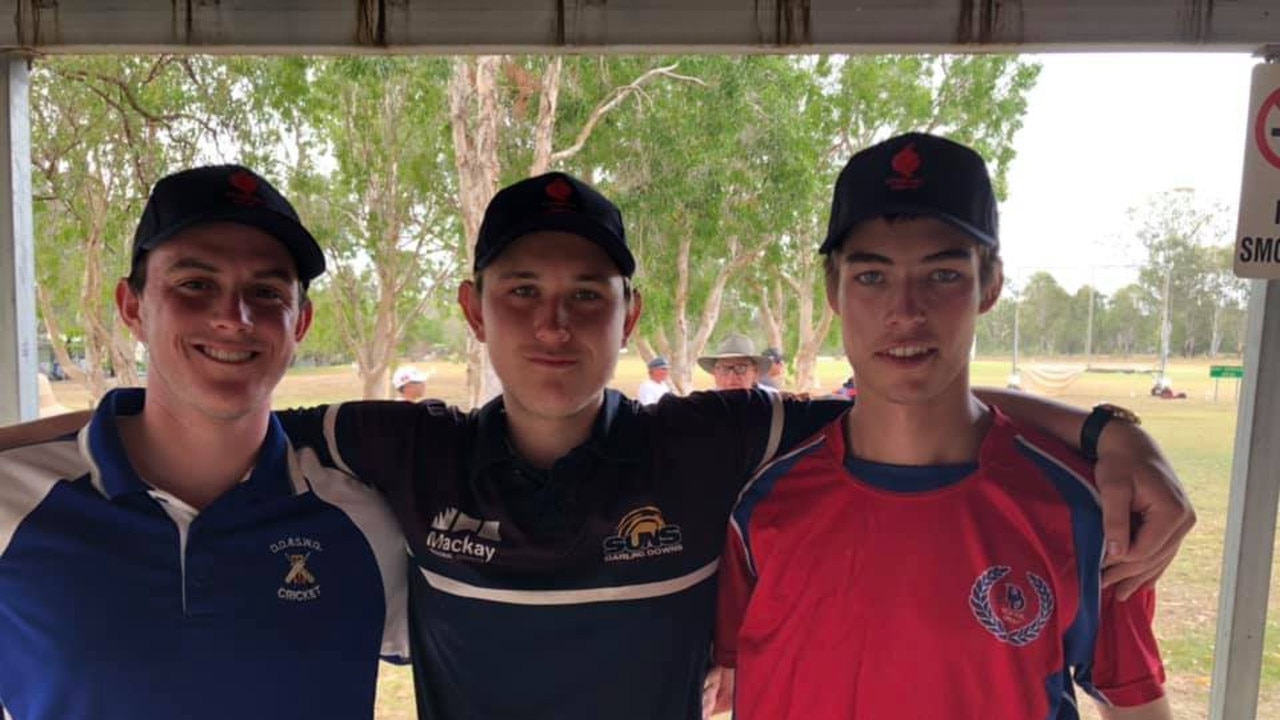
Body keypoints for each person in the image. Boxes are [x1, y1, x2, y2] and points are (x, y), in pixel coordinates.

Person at [0, 172, 1193, 720]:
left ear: (633, 316)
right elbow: (209, 407)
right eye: (520, 291)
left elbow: (908, 394)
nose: (553, 324)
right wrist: (53, 439)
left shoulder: (717, 441)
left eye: (587, 295)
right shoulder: (394, 455)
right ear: (472, 311)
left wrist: (1107, 427)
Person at [712, 134, 1170, 719]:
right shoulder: (762, 508)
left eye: (944, 274)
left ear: (992, 285)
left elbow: (1137, 706)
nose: (905, 310)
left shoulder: (1085, 510)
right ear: (833, 290)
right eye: (872, 277)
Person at [0, 165, 408, 720]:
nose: (234, 318)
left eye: (265, 292)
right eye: (196, 284)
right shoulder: (12, 501)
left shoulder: (364, 520)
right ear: (132, 307)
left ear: (301, 324)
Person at [698, 334, 773, 391]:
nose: (731, 377)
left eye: (740, 368)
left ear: (755, 372)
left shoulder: (773, 403)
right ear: (715, 374)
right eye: (724, 369)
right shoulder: (704, 405)